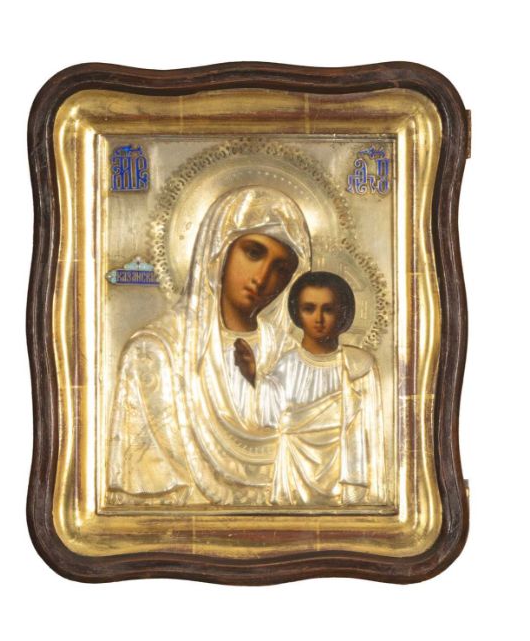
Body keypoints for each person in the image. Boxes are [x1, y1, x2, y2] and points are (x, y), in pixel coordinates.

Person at [107, 186, 312, 506]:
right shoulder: (156, 352)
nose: (262, 277)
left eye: (281, 269)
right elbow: (146, 485)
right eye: (253, 253)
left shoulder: (288, 353)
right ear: (219, 249)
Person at [235, 271, 386, 506]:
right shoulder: (287, 365)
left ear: (343, 313)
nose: (319, 319)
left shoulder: (358, 365)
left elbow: (369, 429)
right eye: (309, 309)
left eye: (328, 309)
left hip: (342, 473)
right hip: (294, 472)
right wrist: (252, 375)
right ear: (297, 313)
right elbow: (269, 416)